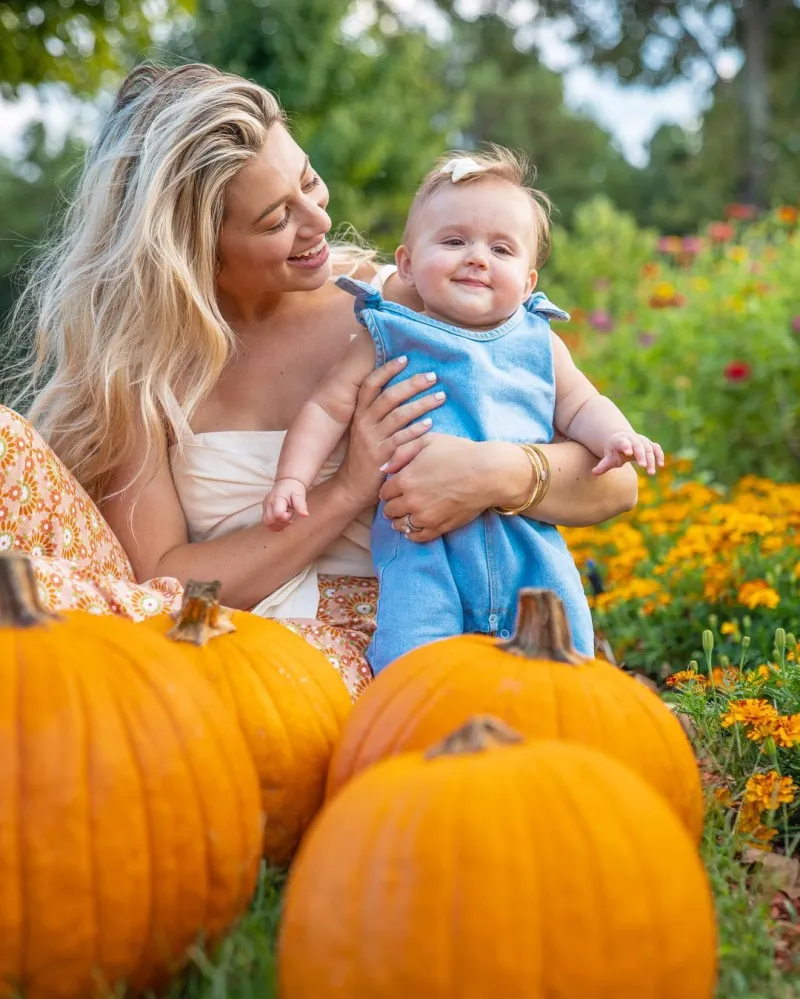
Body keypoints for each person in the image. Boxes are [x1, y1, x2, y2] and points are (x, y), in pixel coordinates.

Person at [4, 62, 638, 698]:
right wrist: (349, 488)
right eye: (277, 219)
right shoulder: (138, 373)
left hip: (366, 637)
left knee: (168, 667)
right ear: (195, 247)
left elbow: (615, 483)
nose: (318, 222)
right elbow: (162, 587)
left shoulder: (404, 306)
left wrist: (495, 473)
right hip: (200, 631)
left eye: (309, 181)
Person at [263, 148, 663, 671]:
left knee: (557, 655)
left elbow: (583, 403)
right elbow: (326, 408)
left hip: (526, 537)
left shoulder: (538, 343)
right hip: (422, 545)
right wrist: (293, 479)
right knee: (415, 660)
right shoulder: (386, 334)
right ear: (405, 263)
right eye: (454, 241)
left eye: (501, 249)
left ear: (527, 282)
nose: (477, 257)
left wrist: (616, 435)